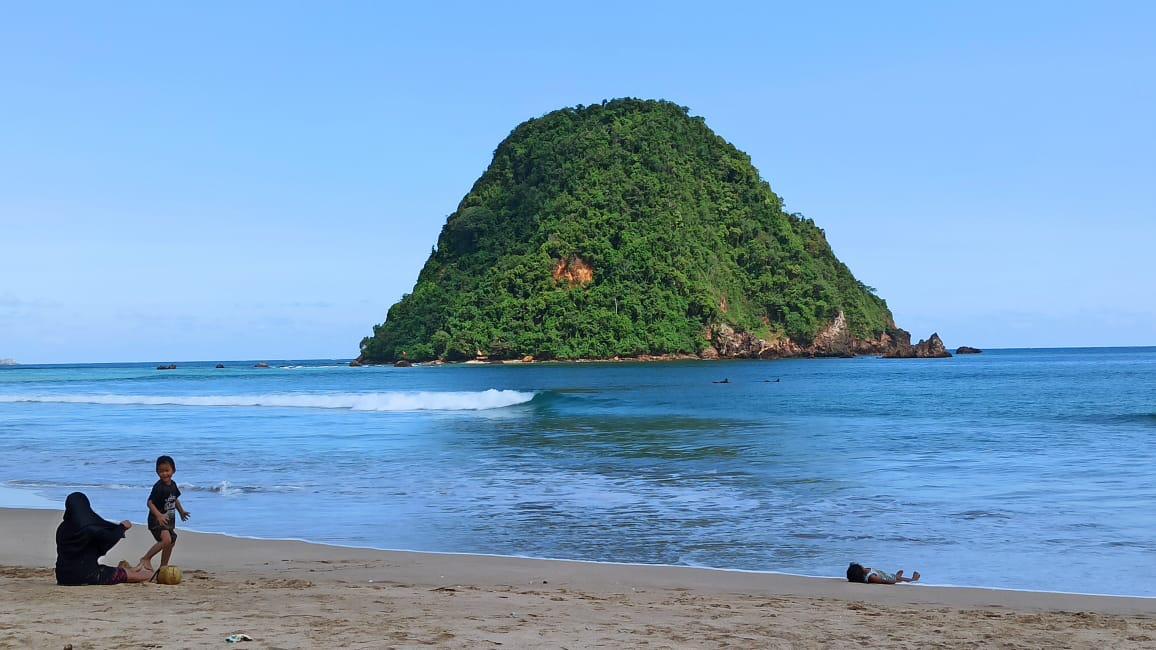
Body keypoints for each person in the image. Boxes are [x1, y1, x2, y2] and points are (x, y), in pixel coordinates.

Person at [55, 492, 153, 585]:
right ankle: (151, 575)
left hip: (63, 577)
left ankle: (131, 570)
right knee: (136, 576)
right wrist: (122, 527)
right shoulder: (89, 528)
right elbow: (110, 538)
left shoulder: (62, 528)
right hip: (88, 575)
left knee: (112, 569)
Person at [138, 455, 190, 573]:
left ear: (173, 470)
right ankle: (146, 558)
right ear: (157, 472)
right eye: (161, 471)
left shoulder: (173, 485)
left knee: (171, 541)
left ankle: (163, 566)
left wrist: (181, 511)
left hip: (168, 519)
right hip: (157, 520)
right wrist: (159, 515)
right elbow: (149, 503)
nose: (164, 474)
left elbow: (174, 499)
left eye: (167, 471)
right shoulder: (159, 487)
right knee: (166, 540)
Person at [846, 562, 920, 584]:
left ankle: (897, 575)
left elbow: (852, 563)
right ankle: (913, 579)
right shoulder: (872, 577)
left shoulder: (865, 571)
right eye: (859, 565)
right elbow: (883, 581)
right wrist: (897, 581)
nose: (860, 564)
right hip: (888, 578)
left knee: (894, 575)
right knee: (897, 577)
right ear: (860, 569)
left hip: (884, 574)